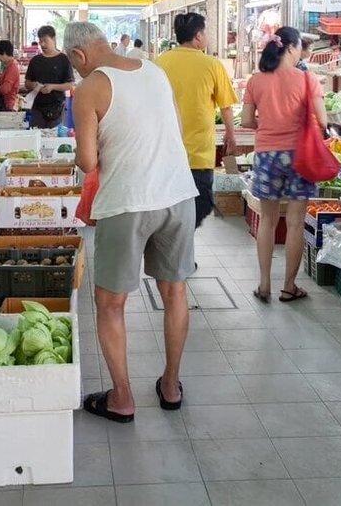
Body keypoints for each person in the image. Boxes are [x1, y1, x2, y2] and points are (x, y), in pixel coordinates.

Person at [65, 22, 197, 423]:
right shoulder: (154, 70)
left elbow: (88, 161)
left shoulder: (89, 87)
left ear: (78, 56)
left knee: (111, 303)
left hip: (128, 202)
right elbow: (173, 127)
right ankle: (171, 385)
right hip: (177, 193)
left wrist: (79, 154)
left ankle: (121, 398)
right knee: (175, 292)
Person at [241, 26, 327, 304]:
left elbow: (246, 121)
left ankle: (264, 283)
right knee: (295, 223)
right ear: (291, 47)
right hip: (300, 155)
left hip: (267, 153)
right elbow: (323, 122)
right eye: (300, 45)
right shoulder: (306, 79)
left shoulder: (256, 81)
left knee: (266, 220)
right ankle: (289, 286)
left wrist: (266, 124)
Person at [157, 13, 237, 229]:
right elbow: (226, 106)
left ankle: (179, 250)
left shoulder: (160, 62)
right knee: (200, 206)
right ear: (198, 35)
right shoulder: (211, 64)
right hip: (199, 154)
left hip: (165, 152)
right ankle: (181, 250)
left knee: (171, 208)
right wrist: (231, 134)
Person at [24, 25, 75, 129]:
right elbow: (27, 83)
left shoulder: (63, 60)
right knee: (36, 135)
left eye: (45, 41)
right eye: (40, 41)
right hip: (37, 107)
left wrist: (52, 87)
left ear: (53, 39)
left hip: (57, 107)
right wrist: (34, 85)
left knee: (53, 136)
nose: (42, 44)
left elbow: (70, 85)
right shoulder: (35, 61)